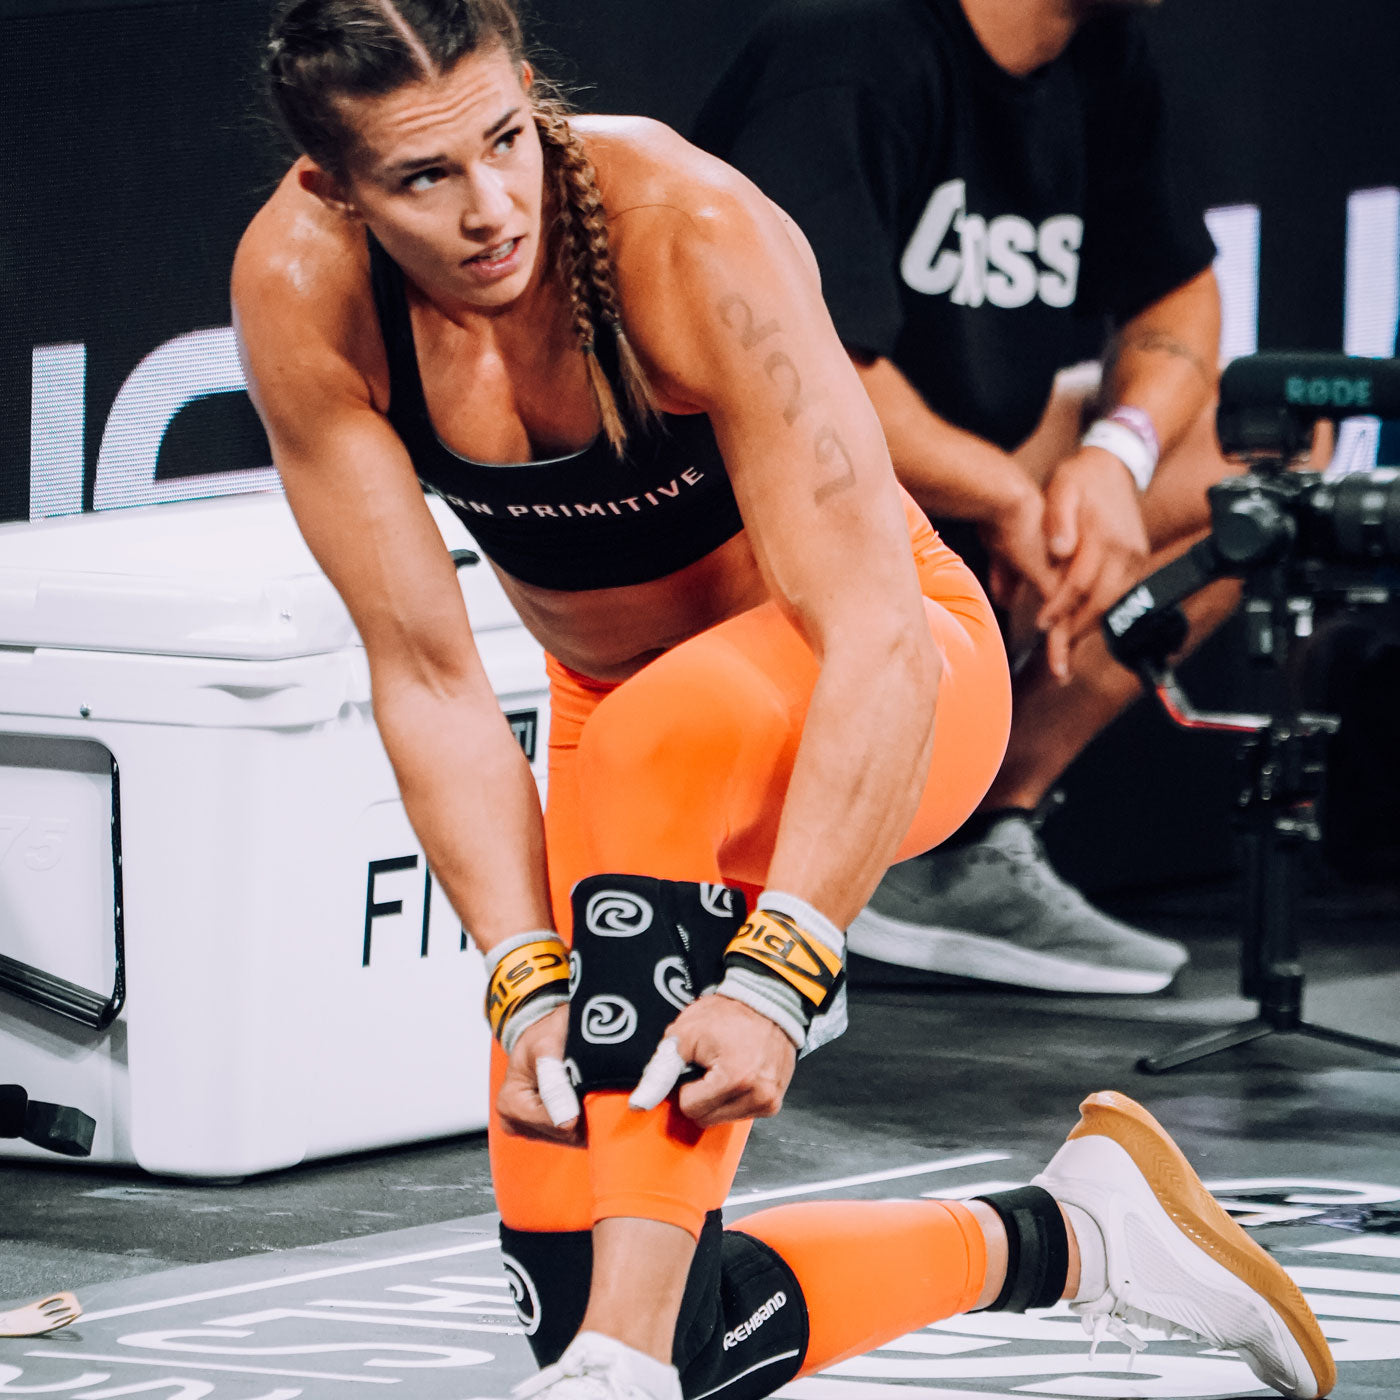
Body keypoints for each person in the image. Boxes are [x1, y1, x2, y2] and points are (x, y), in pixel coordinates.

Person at [233, 4, 1334, 1399]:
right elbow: (433, 674)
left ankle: (620, 1367)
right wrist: (522, 974)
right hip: (623, 729)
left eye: (506, 139)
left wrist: (780, 967)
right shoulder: (302, 289)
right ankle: (1076, 1235)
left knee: (621, 1321)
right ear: (336, 187)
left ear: (528, 90)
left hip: (896, 678)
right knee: (602, 1297)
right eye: (423, 177)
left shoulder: (686, 230)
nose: (490, 206)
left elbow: (873, 630)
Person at [694, 0, 1240, 995]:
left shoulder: (1100, 49)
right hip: (764, 513)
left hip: (950, 489)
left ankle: (966, 837)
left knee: (1250, 448)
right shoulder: (850, 47)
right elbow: (798, 379)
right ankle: (849, 826)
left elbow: (1180, 292)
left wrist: (1114, 457)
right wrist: (1006, 497)